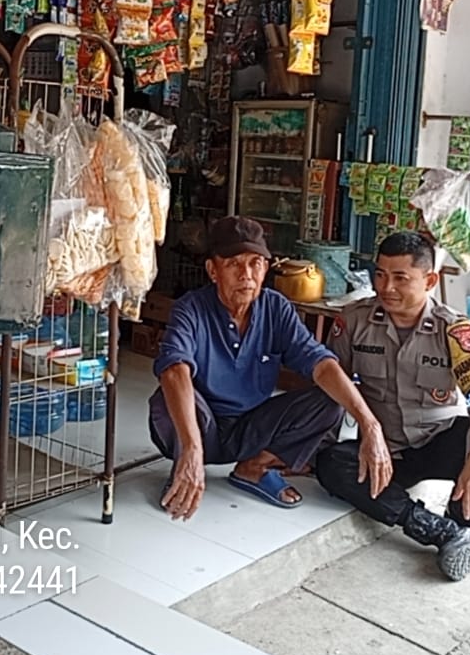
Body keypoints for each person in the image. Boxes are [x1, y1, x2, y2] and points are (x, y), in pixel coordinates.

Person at [150, 216, 393, 520]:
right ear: (213, 271)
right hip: (202, 424)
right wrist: (191, 448)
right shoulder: (191, 308)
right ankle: (185, 466)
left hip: (253, 426)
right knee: (167, 396)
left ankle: (254, 467)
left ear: (266, 269)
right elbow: (175, 368)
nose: (246, 275)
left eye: (255, 264)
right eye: (234, 264)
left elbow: (320, 363)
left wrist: (370, 425)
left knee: (331, 399)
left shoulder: (276, 308)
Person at [315, 231, 470, 582]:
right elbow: (331, 383)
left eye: (400, 278)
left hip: (437, 440)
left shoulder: (454, 329)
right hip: (384, 452)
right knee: (331, 465)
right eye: (380, 275)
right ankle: (438, 530)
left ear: (429, 281)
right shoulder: (353, 320)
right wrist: (313, 444)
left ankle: (465, 516)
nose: (386, 287)